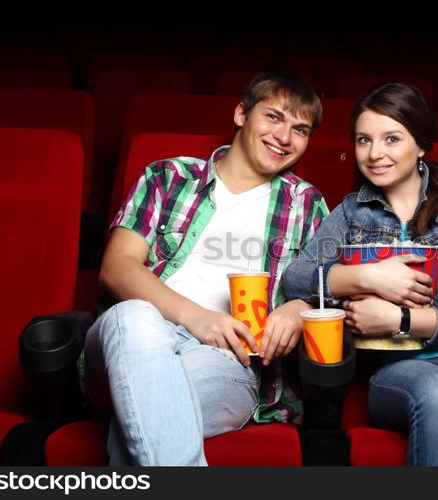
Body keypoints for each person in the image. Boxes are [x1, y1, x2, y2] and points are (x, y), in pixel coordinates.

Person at [282, 82, 438, 466]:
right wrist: (367, 278)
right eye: (363, 140)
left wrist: (400, 318)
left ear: (420, 145)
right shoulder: (351, 212)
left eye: (391, 139)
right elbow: (296, 278)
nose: (375, 154)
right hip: (404, 370)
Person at [84, 71, 328, 466]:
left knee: (145, 410)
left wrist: (298, 308)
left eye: (300, 129)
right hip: (133, 339)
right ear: (240, 114)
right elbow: (115, 267)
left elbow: (323, 291)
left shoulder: (307, 204)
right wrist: (199, 318)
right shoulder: (168, 177)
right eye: (273, 117)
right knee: (133, 316)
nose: (284, 137)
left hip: (229, 358)